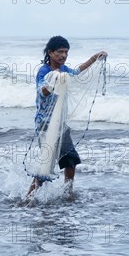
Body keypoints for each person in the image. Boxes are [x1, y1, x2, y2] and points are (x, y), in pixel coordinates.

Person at [26, 36, 107, 198]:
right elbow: (42, 91)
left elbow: (77, 72)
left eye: (66, 52)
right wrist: (53, 81)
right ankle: (29, 197)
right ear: (50, 52)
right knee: (46, 165)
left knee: (70, 158)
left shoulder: (64, 70)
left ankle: (68, 192)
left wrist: (94, 58)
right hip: (46, 125)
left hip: (60, 123)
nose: (63, 55)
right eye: (60, 52)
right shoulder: (44, 71)